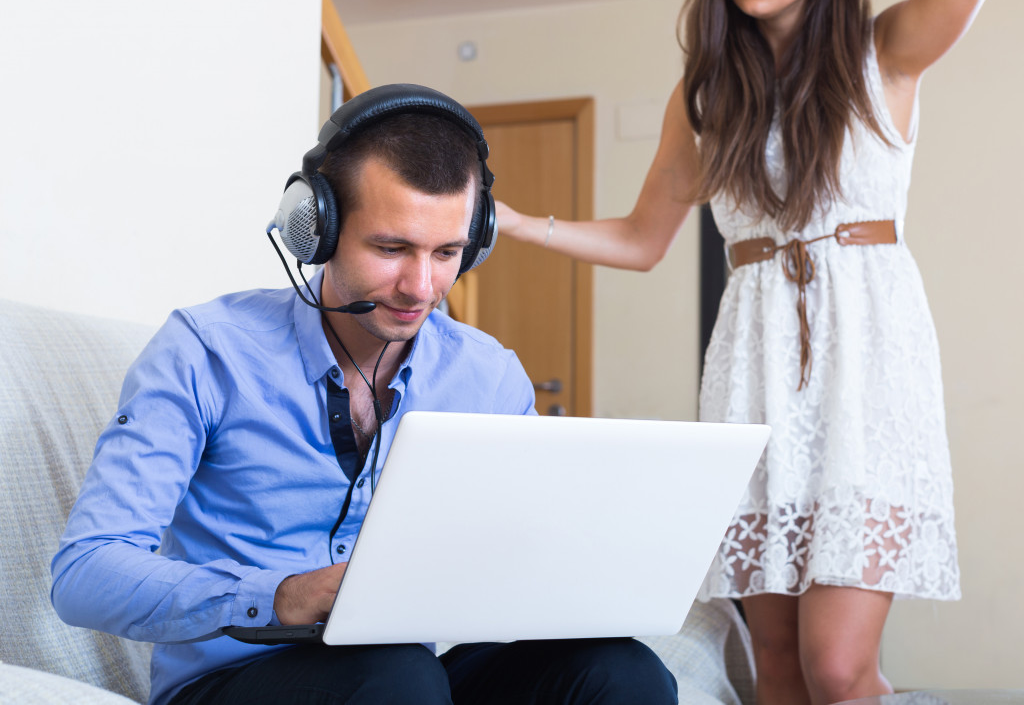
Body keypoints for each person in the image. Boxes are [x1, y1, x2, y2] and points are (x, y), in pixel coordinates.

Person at [496, 0, 994, 705]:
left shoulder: (884, 55)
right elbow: (641, 238)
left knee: (838, 666)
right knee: (777, 664)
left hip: (865, 370)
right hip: (753, 367)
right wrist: (512, 223)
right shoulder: (706, 93)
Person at [51, 84, 678, 705]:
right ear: (317, 228)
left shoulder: (488, 376)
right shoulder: (207, 351)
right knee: (396, 676)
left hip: (409, 677)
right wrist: (285, 594)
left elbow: (530, 545)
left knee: (622, 672)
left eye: (447, 253)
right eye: (391, 248)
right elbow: (86, 572)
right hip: (239, 679)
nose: (421, 287)